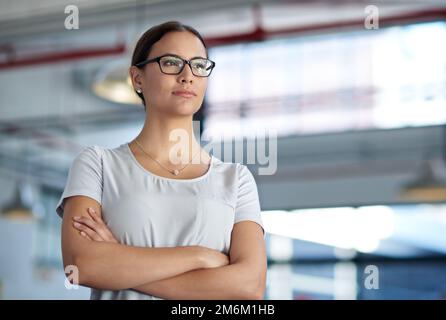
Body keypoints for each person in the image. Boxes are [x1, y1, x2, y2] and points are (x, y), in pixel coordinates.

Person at [56, 21, 266, 300]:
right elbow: (80, 266)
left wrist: (120, 264)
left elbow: (249, 285)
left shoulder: (236, 180)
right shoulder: (98, 164)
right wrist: (199, 257)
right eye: (171, 62)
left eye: (199, 65)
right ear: (137, 78)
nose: (187, 75)